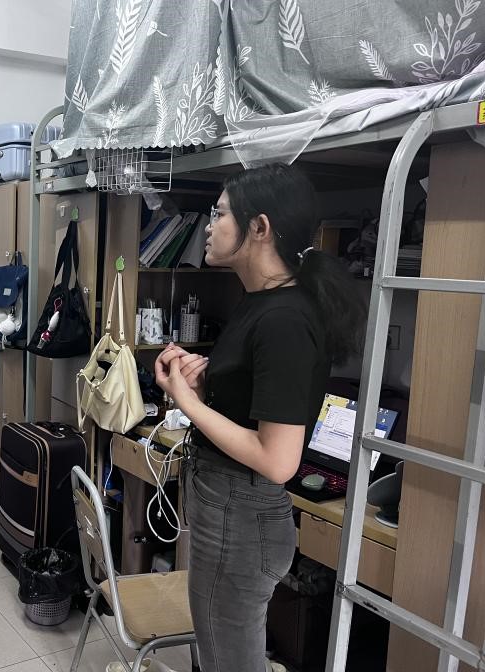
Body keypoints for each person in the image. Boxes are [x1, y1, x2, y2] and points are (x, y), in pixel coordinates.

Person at [154, 163, 366, 672]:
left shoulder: (285, 319)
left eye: (219, 214)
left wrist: (189, 404)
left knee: (230, 661)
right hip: (227, 508)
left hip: (241, 516)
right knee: (218, 653)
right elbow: (252, 409)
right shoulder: (259, 302)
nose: (209, 226)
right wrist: (205, 386)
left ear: (260, 227)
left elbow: (278, 460)